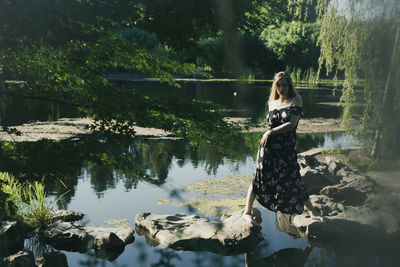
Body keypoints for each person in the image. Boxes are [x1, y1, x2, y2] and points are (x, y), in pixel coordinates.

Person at [241, 71, 326, 225]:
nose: (282, 88)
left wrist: (271, 131)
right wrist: (269, 134)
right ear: (275, 87)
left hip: (286, 150)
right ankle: (247, 212)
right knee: (258, 178)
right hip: (268, 149)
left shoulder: (296, 99)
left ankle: (313, 213)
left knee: (294, 179)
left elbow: (292, 124)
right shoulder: (271, 103)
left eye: (284, 84)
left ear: (289, 85)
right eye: (278, 85)